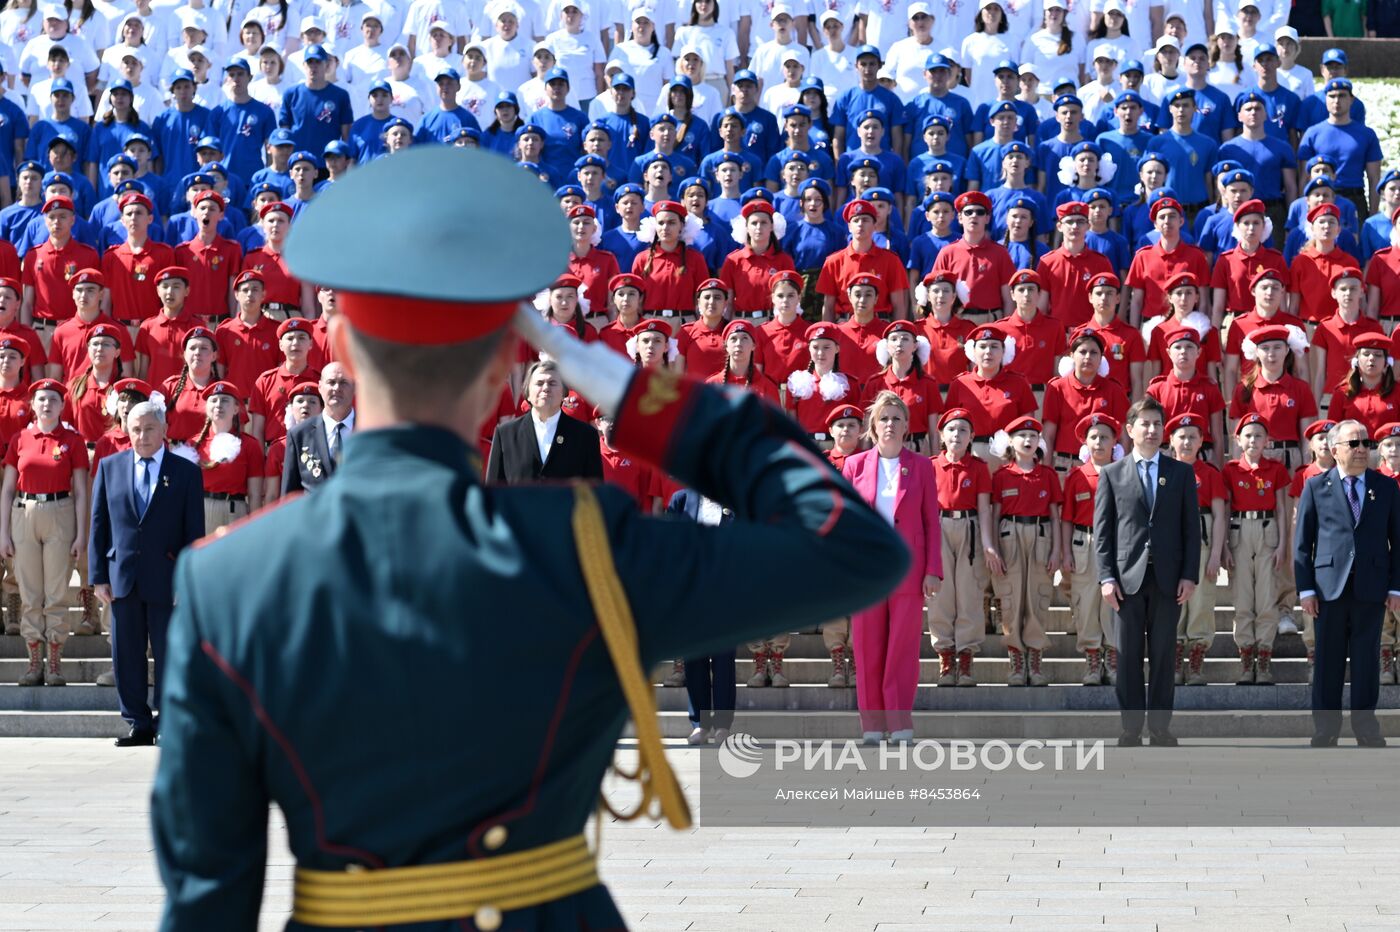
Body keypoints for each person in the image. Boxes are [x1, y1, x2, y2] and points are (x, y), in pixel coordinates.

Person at [150, 147, 907, 927]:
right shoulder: (586, 546)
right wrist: (625, 386)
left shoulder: (227, 579)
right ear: (501, 377)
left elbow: (206, 898)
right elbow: (853, 549)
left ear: (339, 350)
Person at [89, 399, 204, 747]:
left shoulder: (185, 472)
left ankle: (168, 721)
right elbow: (99, 524)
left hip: (166, 578)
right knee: (126, 655)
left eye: (150, 428)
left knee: (169, 653)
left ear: (165, 430)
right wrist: (97, 575)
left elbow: (193, 531)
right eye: (136, 429)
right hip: (122, 576)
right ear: (126, 430)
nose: (142, 435)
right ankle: (137, 723)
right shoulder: (109, 467)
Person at [1094, 397, 1202, 747]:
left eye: (1158, 424)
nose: (1153, 430)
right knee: (1126, 657)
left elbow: (1191, 529)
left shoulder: (1181, 472)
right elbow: (1104, 531)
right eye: (1145, 424)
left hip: (1169, 580)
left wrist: (1190, 575)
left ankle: (1159, 727)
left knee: (1163, 655)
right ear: (1130, 430)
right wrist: (1106, 577)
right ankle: (1130, 727)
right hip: (1127, 580)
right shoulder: (1112, 474)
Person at [841, 390, 941, 744]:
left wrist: (933, 569)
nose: (890, 425)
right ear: (872, 426)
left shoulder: (923, 466)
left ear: (906, 426)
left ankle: (899, 723)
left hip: (908, 570)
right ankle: (871, 725)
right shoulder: (853, 466)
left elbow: (931, 521)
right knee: (868, 648)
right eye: (883, 418)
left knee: (902, 648)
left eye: (896, 418)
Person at [1295, 418, 1400, 748]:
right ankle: (1326, 728)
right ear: (1334, 449)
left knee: (1367, 659)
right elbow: (1302, 543)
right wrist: (1306, 588)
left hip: (1371, 586)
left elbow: (1397, 540)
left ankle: (1365, 727)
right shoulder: (1315, 485)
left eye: (1365, 444)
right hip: (1328, 588)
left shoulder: (1384, 487)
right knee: (1327, 659)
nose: (1361, 450)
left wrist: (1395, 587)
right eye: (1353, 444)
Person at [0, 378, 89, 688]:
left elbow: (80, 490)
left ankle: (54, 662)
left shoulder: (73, 441)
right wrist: (3, 533)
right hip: (23, 513)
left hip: (60, 512)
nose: (47, 404)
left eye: (53, 399)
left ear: (62, 405)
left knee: (55, 592)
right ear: (33, 404)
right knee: (30, 594)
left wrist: (81, 533)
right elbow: (7, 489)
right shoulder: (20, 438)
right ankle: (33, 662)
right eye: (41, 399)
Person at [928, 407, 999, 686]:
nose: (957, 435)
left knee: (969, 593)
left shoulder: (979, 467)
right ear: (942, 435)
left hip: (969, 527)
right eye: (952, 429)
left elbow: (984, 509)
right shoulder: (931, 465)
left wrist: (988, 544)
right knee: (940, 593)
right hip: (939, 527)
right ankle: (945, 654)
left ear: (971, 437)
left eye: (963, 430)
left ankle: (966, 655)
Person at [667, 486, 737, 745]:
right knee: (694, 661)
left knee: (722, 662)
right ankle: (699, 724)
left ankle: (722, 726)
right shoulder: (681, 499)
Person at [486, 358, 605, 483]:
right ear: (528, 393)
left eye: (552, 383)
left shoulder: (586, 436)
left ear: (564, 393)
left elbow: (595, 492)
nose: (546, 388)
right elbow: (493, 490)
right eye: (539, 383)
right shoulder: (505, 434)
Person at [280, 361, 355, 494]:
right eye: (331, 382)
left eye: (343, 382)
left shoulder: (370, 430)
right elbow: (289, 495)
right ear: (320, 387)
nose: (337, 388)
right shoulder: (299, 434)